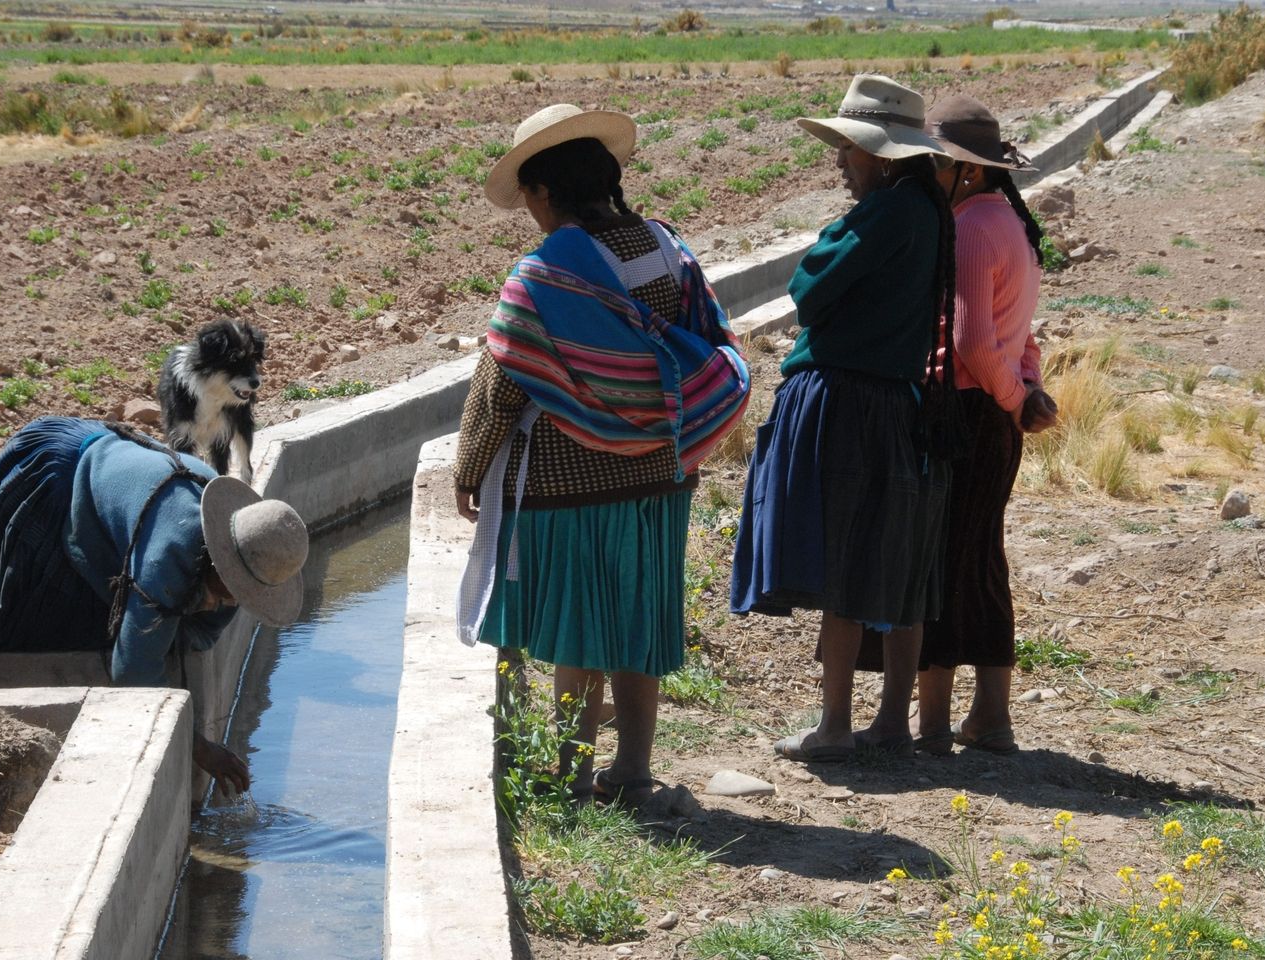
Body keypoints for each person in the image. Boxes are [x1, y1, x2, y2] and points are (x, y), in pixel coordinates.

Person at [454, 104, 750, 803]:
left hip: (571, 478)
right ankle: (635, 769)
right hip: (662, 471)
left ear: (546, 193)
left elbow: (501, 382)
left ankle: (571, 770)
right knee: (638, 619)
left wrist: (469, 468)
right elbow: (710, 331)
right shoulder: (666, 247)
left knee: (579, 630)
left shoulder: (544, 274)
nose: (528, 208)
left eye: (529, 194)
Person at [730, 74, 957, 763]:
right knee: (895, 561)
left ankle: (833, 726)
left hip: (846, 402)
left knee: (845, 558)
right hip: (894, 402)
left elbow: (810, 287)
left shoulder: (886, 213)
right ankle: (891, 721)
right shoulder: (930, 210)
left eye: (850, 151)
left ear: (883, 157)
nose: (840, 162)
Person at [0, 416, 309, 793]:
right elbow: (132, 675)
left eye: (244, 594)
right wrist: (200, 748)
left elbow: (201, 635)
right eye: (229, 590)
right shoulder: (172, 549)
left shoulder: (240, 547)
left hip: (121, 480)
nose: (228, 602)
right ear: (219, 560)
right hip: (54, 471)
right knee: (20, 619)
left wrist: (180, 616)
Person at [910, 95, 1059, 756]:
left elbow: (972, 341)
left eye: (937, 162)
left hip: (966, 413)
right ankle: (990, 716)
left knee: (942, 561)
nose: (929, 173)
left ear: (967, 170)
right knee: (982, 559)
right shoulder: (1012, 226)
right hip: (993, 416)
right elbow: (1015, 335)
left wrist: (1010, 398)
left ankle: (934, 722)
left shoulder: (969, 227)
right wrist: (1024, 392)